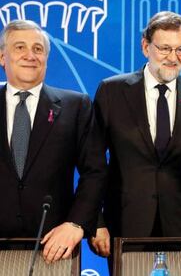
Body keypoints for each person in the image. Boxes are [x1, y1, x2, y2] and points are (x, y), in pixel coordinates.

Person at [90, 11, 181, 258]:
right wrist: (96, 221)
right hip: (125, 224)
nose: (173, 57)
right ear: (145, 46)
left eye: (180, 50)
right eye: (165, 48)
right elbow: (93, 163)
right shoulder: (111, 91)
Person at [0, 19, 107, 263]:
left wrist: (76, 224)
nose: (30, 55)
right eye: (19, 47)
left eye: (38, 49)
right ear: (2, 57)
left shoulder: (75, 105)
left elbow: (95, 172)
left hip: (54, 249)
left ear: (46, 58)